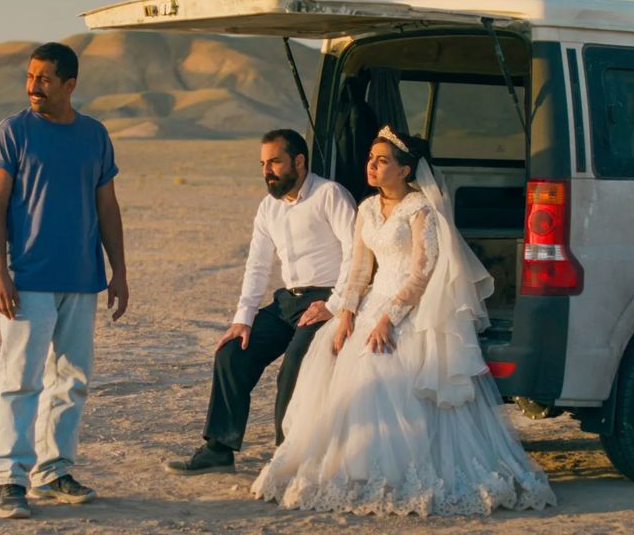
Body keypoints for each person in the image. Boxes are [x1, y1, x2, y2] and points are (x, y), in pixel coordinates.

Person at [251, 126, 556, 516]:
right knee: (336, 357)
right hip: (371, 301)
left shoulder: (420, 210)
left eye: (382, 161)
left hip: (412, 307)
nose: (372, 166)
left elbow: (421, 273)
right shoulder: (364, 209)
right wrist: (346, 313)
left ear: (405, 170)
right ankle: (350, 464)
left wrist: (388, 320)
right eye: (370, 159)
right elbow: (359, 270)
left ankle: (398, 471)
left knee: (385, 367)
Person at [0, 42, 128, 519]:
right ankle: (10, 477)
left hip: (83, 279)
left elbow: (107, 205)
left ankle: (54, 469)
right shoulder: (12, 133)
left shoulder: (94, 135)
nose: (33, 86)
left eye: (44, 79)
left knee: (71, 379)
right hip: (28, 278)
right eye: (30, 77)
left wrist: (118, 271)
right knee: (20, 379)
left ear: (70, 85)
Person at [166, 129, 356, 475]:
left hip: (326, 299)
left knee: (294, 366)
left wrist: (335, 303)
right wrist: (244, 318)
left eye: (275, 162)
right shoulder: (268, 208)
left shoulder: (330, 195)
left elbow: (355, 253)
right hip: (288, 302)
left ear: (299, 162)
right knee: (231, 353)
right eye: (262, 164)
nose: (267, 171)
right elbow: (257, 264)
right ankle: (219, 449)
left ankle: (288, 455)